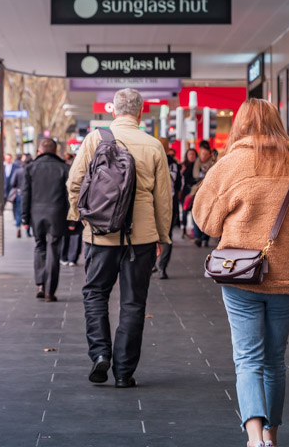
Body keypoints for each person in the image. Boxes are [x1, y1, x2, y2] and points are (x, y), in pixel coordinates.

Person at [193, 98, 289, 447]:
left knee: (248, 358)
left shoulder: (232, 164)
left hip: (241, 275)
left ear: (240, 124)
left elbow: (205, 220)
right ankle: (272, 435)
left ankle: (255, 438)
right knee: (274, 360)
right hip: (288, 276)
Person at [67, 88, 173, 389]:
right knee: (133, 302)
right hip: (141, 238)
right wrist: (162, 235)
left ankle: (100, 353)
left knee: (95, 293)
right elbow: (163, 198)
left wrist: (81, 217)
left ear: (113, 110)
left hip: (100, 234)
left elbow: (74, 182)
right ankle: (124, 372)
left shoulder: (94, 139)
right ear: (141, 112)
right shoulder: (153, 145)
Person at [22, 137, 70, 302]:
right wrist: (72, 220)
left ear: (40, 151)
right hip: (57, 214)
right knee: (54, 251)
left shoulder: (30, 168)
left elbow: (25, 195)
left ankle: (40, 284)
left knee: (39, 247)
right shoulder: (64, 168)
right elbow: (69, 196)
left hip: (36, 214)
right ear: (56, 151)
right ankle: (50, 291)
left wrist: (24, 218)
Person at [154, 142, 182, 279]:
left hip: (153, 204)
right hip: (170, 204)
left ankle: (152, 263)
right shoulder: (175, 165)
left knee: (151, 234)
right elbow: (179, 185)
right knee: (167, 236)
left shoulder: (152, 160)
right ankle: (162, 267)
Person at [190, 140, 217, 247]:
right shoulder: (197, 162)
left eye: (205, 154)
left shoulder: (213, 163)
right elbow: (194, 175)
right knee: (195, 213)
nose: (203, 156)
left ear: (209, 154)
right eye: (201, 154)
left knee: (207, 214)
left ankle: (205, 238)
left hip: (209, 192)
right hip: (197, 191)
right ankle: (197, 237)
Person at [179, 147, 197, 237]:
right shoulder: (183, 165)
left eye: (193, 154)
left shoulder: (198, 166)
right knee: (184, 210)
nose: (192, 156)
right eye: (190, 154)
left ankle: (195, 230)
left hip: (195, 191)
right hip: (185, 191)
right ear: (187, 155)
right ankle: (184, 229)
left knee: (194, 210)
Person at [6, 156, 26, 238]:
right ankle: (27, 230)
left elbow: (12, 183)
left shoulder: (17, 171)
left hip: (19, 193)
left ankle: (18, 227)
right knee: (27, 211)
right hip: (28, 194)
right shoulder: (29, 171)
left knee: (18, 211)